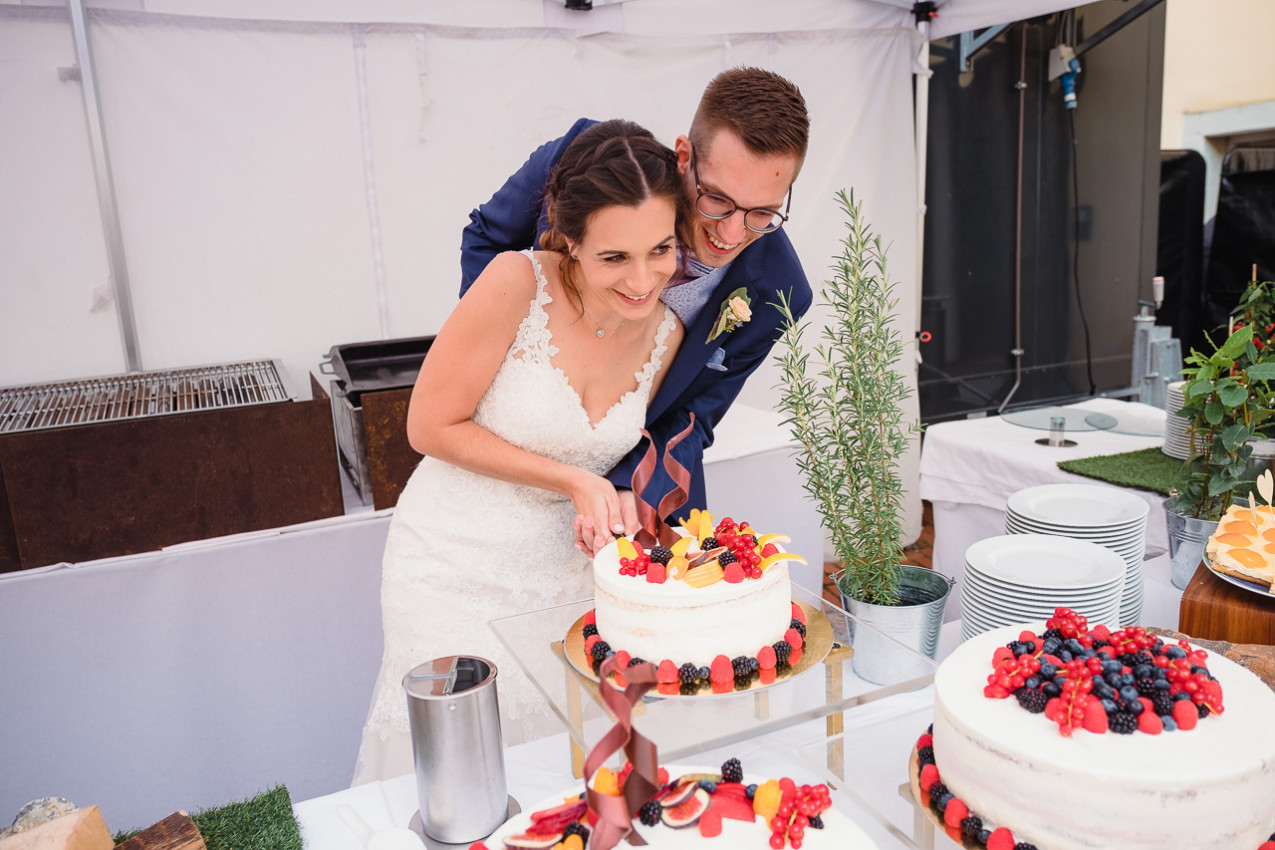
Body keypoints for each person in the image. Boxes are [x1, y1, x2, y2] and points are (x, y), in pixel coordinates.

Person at [352, 120, 687, 784]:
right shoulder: (514, 282)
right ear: (567, 239)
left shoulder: (669, 332)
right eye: (613, 258)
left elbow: (625, 458)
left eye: (661, 249)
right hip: (450, 567)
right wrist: (568, 478)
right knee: (460, 777)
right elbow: (428, 425)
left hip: (567, 581)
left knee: (551, 775)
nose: (643, 279)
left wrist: (614, 495)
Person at [460, 67, 813, 555]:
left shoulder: (781, 290)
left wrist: (631, 483)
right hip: (514, 451)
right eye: (717, 200)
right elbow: (488, 237)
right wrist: (502, 361)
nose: (732, 235)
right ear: (684, 157)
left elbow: (696, 415)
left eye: (762, 213)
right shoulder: (584, 159)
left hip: (631, 500)